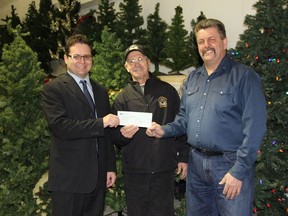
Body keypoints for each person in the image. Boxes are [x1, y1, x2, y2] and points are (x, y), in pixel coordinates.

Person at [146, 18, 267, 216]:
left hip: (229, 165)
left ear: (224, 42)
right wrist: (163, 130)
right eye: (201, 41)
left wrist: (239, 171)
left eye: (211, 39)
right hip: (196, 166)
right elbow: (184, 118)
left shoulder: (245, 77)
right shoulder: (193, 78)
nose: (206, 45)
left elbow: (255, 128)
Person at [42, 34, 120, 216]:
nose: (82, 61)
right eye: (77, 56)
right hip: (69, 180)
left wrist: (110, 167)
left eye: (87, 56)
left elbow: (106, 135)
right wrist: (101, 123)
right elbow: (60, 126)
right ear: (66, 59)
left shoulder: (100, 91)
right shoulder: (53, 88)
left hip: (97, 178)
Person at [112, 44, 189, 216]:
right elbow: (114, 137)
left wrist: (184, 157)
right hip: (135, 171)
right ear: (126, 67)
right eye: (131, 61)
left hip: (164, 168)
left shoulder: (167, 91)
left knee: (163, 212)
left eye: (140, 59)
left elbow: (181, 125)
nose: (136, 64)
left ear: (148, 62)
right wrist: (122, 135)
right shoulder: (121, 99)